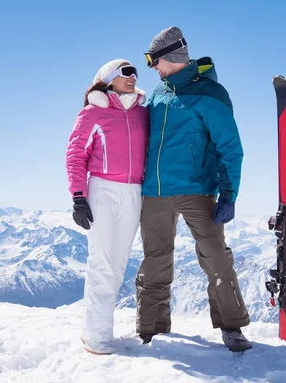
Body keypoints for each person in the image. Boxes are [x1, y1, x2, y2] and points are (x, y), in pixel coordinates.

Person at [135, 27, 252, 352]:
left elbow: (230, 146)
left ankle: (232, 327)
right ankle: (151, 328)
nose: (152, 67)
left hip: (197, 190)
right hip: (155, 193)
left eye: (154, 60)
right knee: (155, 259)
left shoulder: (211, 94)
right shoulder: (157, 94)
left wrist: (228, 194)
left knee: (215, 257)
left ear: (172, 57)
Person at [66, 59, 149, 355]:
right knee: (101, 261)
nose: (133, 76)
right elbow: (76, 154)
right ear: (110, 78)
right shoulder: (93, 113)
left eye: (135, 72)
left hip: (134, 191)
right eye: (126, 72)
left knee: (117, 264)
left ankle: (96, 328)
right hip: (102, 189)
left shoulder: (142, 113)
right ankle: (97, 338)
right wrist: (78, 196)